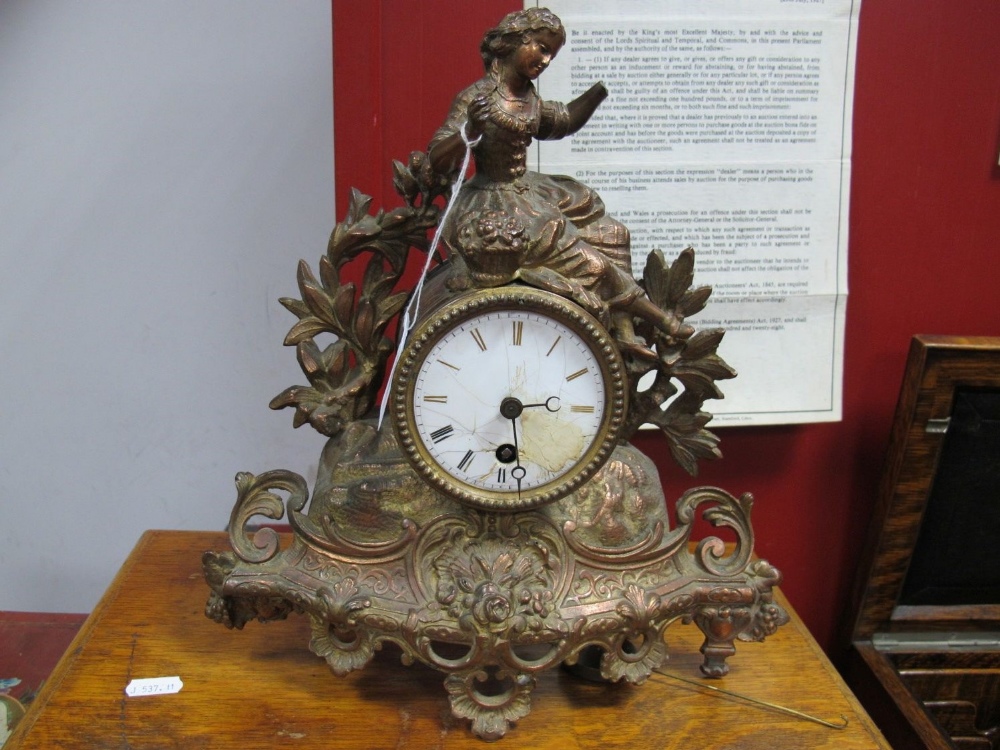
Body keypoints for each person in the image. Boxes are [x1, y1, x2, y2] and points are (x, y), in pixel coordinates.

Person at [428, 8, 681, 350]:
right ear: (515, 42)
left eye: (552, 54)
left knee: (613, 231)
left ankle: (624, 330)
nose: (546, 60)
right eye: (542, 49)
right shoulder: (477, 98)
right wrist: (468, 129)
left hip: (529, 190)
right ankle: (653, 314)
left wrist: (599, 92)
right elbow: (437, 158)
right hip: (494, 198)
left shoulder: (529, 97)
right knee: (561, 239)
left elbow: (563, 121)